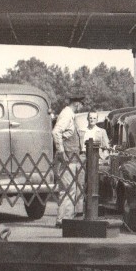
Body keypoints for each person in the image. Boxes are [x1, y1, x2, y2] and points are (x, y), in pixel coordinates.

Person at [52, 96, 85, 227]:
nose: (81, 107)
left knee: (70, 189)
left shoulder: (70, 115)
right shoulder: (66, 114)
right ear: (77, 104)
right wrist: (61, 151)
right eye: (81, 105)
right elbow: (56, 132)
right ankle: (63, 219)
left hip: (72, 158)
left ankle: (66, 218)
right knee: (67, 189)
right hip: (67, 158)